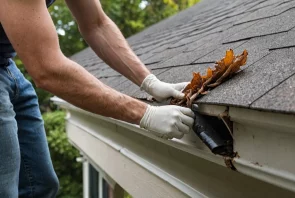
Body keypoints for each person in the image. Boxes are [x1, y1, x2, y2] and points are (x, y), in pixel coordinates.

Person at [0, 0, 195, 197]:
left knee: (40, 186)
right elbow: (48, 70)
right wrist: (146, 114)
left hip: (6, 65)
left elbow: (96, 24)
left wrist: (150, 82)